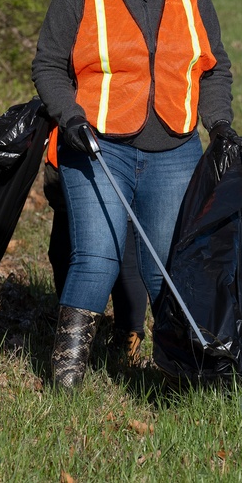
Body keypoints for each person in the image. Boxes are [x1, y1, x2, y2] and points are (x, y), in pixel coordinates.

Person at [32, 0, 236, 389]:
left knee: (166, 266)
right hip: (99, 148)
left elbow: (215, 69)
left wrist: (220, 123)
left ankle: (180, 373)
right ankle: (66, 380)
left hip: (175, 150)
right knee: (97, 257)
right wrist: (70, 115)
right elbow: (48, 65)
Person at [42, 144, 148, 363]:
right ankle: (72, 334)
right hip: (72, 146)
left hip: (120, 144)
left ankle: (128, 339)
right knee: (63, 247)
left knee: (125, 247)